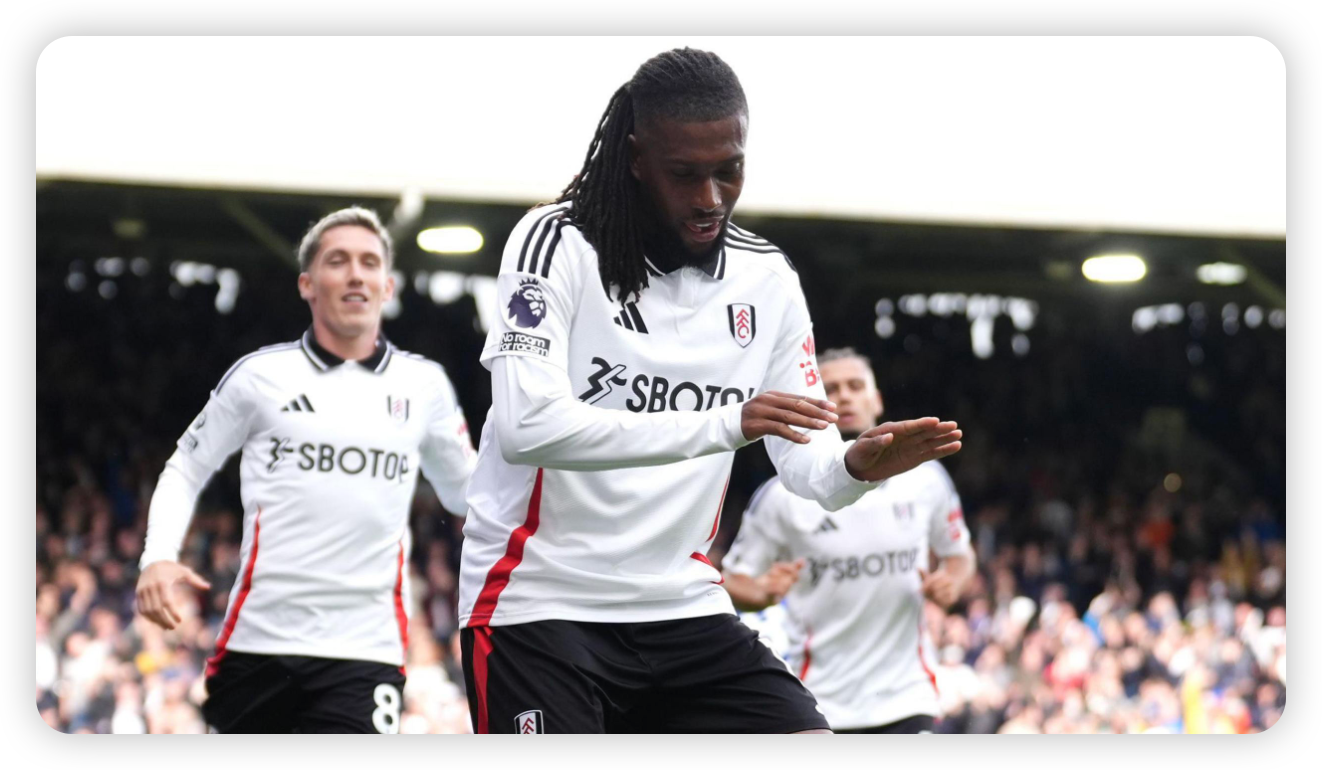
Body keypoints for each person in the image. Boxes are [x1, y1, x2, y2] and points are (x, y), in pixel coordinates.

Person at [458, 48, 962, 734]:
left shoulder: (768, 279)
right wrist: (729, 422)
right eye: (685, 175)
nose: (710, 198)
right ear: (636, 158)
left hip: (682, 607)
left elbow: (809, 465)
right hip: (539, 602)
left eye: (730, 171)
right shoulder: (555, 242)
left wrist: (853, 467)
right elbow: (529, 428)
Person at [135, 207, 477, 733]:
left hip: (365, 651)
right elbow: (185, 466)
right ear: (307, 284)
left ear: (387, 286)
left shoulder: (424, 387)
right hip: (258, 645)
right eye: (337, 261)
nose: (355, 274)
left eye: (369, 263)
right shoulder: (259, 377)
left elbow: (467, 495)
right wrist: (157, 556)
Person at [724, 348, 976, 734]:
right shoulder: (782, 495)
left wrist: (952, 583)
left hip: (908, 698)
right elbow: (732, 580)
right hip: (817, 704)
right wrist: (758, 593)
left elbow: (959, 557)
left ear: (876, 400)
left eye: (856, 386)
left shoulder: (927, 480)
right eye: (831, 388)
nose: (844, 396)